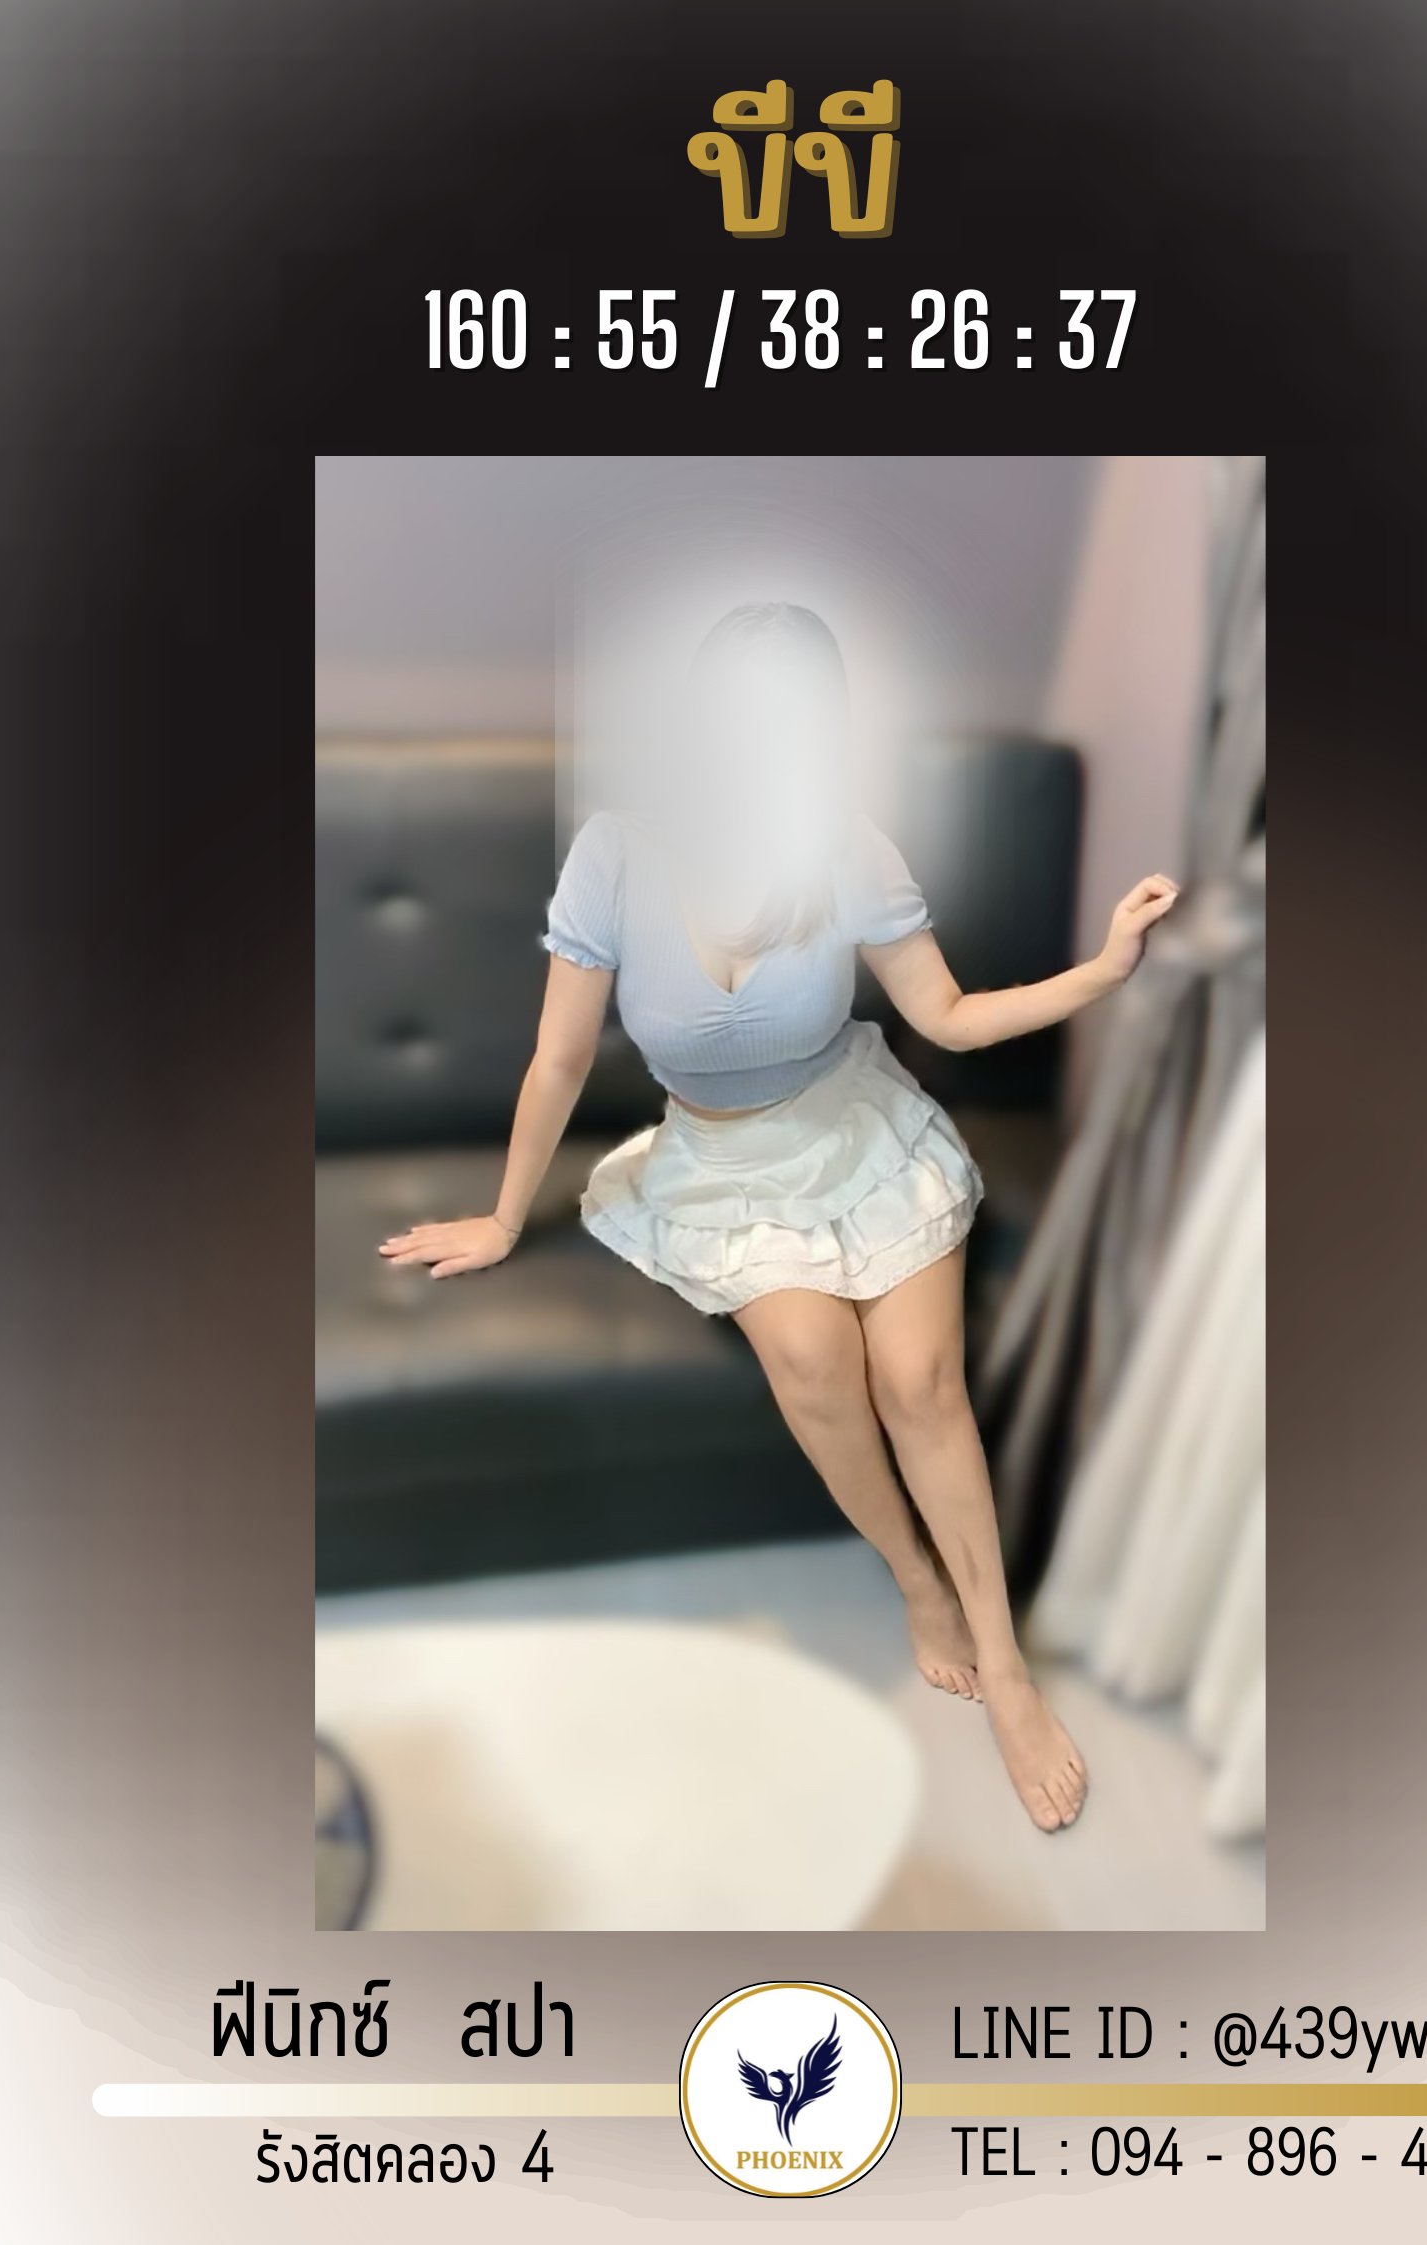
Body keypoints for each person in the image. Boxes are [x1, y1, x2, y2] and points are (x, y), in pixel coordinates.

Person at [379, 602, 1178, 1832]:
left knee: (920, 1381)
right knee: (810, 1355)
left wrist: (1107, 969)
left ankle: (1006, 1664)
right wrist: (500, 1215)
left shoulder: (846, 847)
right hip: (721, 1165)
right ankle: (918, 1582)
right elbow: (559, 1059)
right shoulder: (615, 852)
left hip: (856, 1133)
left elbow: (950, 1016)